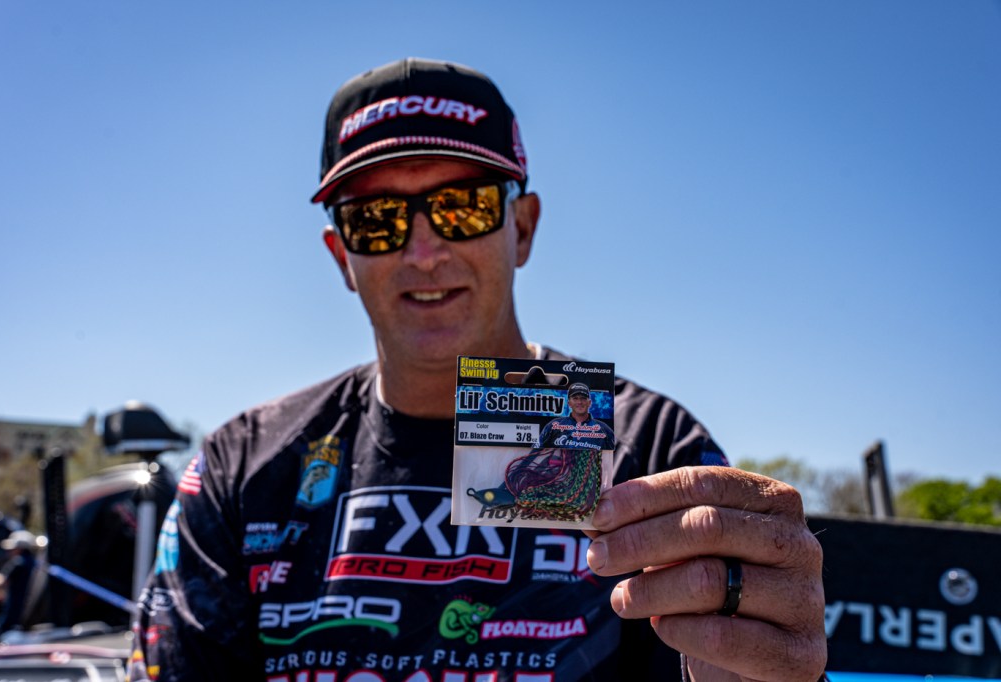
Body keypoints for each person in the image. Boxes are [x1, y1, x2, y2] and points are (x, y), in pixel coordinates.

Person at [127, 58, 827, 681]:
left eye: (462, 208)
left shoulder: (652, 448)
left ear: (521, 228)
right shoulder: (240, 469)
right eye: (376, 219)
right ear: (343, 257)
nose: (424, 251)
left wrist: (776, 669)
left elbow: (740, 661)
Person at [0, 529, 37, 633]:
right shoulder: (33, 563)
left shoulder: (18, 562)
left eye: (13, 548)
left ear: (20, 548)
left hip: (13, 616)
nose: (9, 551)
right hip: (25, 615)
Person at [534, 382, 616, 451]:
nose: (579, 402)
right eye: (575, 398)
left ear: (589, 403)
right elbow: (534, 451)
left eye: (583, 398)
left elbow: (615, 457)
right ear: (569, 403)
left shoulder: (604, 430)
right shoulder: (553, 426)